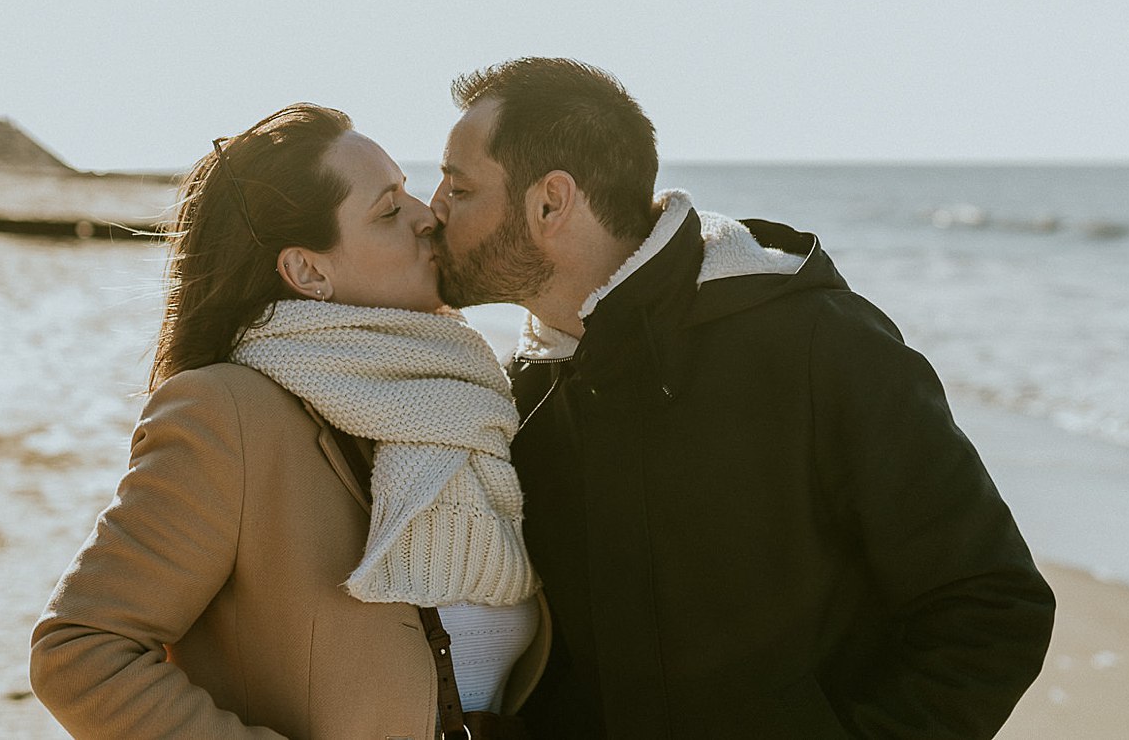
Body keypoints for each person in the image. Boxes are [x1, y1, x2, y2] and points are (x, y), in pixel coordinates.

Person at [429, 59, 1055, 739]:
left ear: (550, 202)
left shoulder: (815, 343)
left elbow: (993, 605)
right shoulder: (525, 392)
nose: (431, 209)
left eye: (458, 188)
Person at [31, 104, 547, 739]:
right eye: (388, 211)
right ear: (308, 271)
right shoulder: (226, 413)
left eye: (409, 193)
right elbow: (80, 650)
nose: (427, 217)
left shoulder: (468, 402)